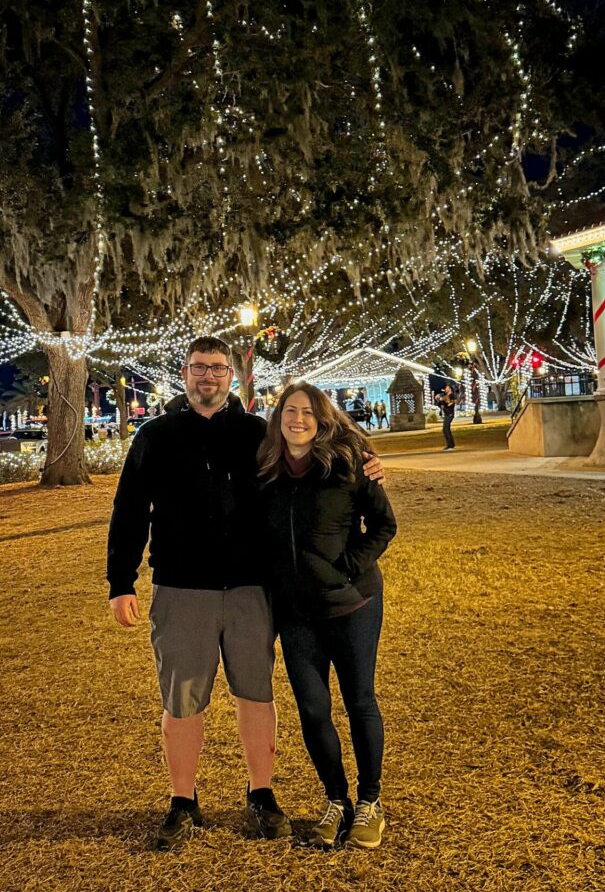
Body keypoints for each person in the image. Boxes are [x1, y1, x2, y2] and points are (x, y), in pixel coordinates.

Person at [106, 337, 384, 850]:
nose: (206, 377)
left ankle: (262, 794)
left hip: (252, 589)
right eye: (197, 368)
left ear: (231, 376)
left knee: (256, 693)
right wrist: (119, 582)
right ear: (184, 373)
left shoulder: (258, 435)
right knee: (183, 698)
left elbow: (312, 460)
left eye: (216, 368)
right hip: (181, 587)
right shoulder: (155, 436)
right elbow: (128, 512)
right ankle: (182, 800)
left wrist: (364, 460)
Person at [257, 383, 397, 850]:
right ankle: (336, 801)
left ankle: (371, 802)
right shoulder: (267, 472)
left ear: (322, 419)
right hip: (296, 614)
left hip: (352, 604)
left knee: (359, 700)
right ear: (278, 418)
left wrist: (345, 571)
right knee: (313, 709)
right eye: (289, 411)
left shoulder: (349, 463)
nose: (298, 419)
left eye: (307, 412)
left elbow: (384, 526)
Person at [434, 382, 456, 450]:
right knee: (446, 429)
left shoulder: (452, 395)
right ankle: (451, 444)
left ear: (450, 389)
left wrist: (445, 399)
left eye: (447, 388)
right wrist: (438, 398)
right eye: (445, 388)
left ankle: (450, 445)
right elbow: (438, 399)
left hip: (450, 414)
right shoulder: (444, 395)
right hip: (446, 414)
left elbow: (451, 403)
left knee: (445, 429)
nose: (446, 389)